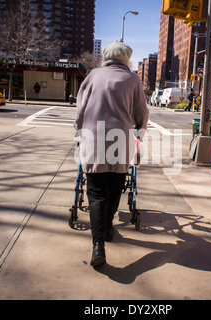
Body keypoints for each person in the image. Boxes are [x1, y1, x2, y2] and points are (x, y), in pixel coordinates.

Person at [74, 42, 149, 268]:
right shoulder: (133, 80)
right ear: (126, 58)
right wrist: (140, 133)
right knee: (115, 186)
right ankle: (107, 228)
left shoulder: (93, 76)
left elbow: (80, 109)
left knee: (95, 193)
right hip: (121, 141)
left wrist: (78, 129)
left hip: (94, 139)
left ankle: (98, 245)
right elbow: (141, 112)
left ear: (106, 56)